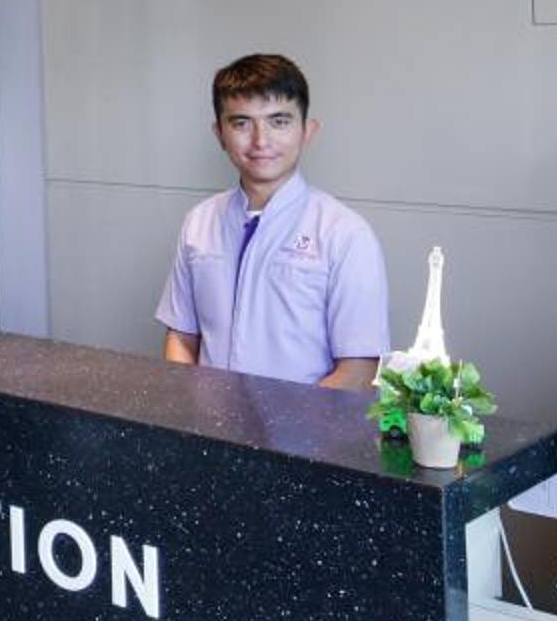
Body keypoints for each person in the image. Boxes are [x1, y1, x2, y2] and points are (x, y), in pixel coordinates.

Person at [154, 53, 389, 387]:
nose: (261, 141)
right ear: (219, 134)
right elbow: (181, 336)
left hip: (304, 422)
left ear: (307, 131)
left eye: (279, 121)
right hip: (203, 417)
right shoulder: (199, 222)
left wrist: (285, 419)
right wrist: (190, 408)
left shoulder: (345, 234)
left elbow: (359, 370)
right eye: (241, 123)